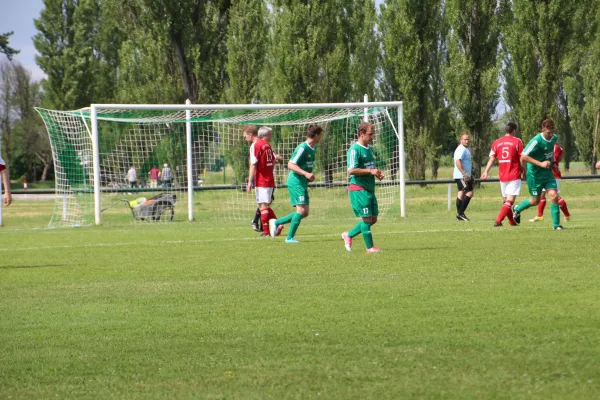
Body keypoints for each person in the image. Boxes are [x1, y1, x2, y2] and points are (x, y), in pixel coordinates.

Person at [269, 124, 323, 243]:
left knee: (305, 212)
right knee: (301, 211)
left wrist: (308, 176)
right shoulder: (302, 148)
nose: (321, 137)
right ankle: (289, 238)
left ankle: (277, 222)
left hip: (302, 182)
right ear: (317, 135)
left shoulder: (313, 147)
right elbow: (290, 164)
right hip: (296, 181)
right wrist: (305, 174)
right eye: (321, 135)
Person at [341, 122, 384, 253]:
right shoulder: (354, 150)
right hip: (358, 188)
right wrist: (370, 171)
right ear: (361, 133)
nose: (372, 137)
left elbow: (368, 168)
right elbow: (351, 170)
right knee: (366, 219)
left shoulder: (369, 149)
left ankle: (348, 235)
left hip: (369, 188)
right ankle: (370, 247)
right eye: (370, 134)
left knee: (373, 219)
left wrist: (375, 173)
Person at [513, 119, 564, 230]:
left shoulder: (554, 138)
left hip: (547, 173)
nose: (550, 135)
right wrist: (540, 164)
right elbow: (523, 156)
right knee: (535, 201)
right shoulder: (536, 141)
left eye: (552, 132)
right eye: (548, 133)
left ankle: (556, 225)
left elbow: (550, 153)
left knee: (554, 196)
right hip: (535, 175)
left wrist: (554, 163)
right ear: (542, 130)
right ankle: (517, 209)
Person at [481, 122, 523, 226]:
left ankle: (511, 222)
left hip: (503, 175)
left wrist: (486, 171)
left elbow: (491, 159)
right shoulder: (517, 141)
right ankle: (498, 220)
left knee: (506, 202)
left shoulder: (497, 142)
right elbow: (522, 158)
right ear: (514, 131)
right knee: (510, 201)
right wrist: (524, 170)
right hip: (514, 174)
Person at [246, 127, 284, 237]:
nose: (271, 136)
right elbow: (272, 160)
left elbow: (253, 164)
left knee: (262, 206)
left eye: (245, 136)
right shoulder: (267, 145)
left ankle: (267, 232)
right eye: (270, 134)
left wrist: (249, 182)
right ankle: (278, 224)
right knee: (264, 205)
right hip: (269, 179)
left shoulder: (256, 145)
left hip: (262, 180)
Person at [529, 142, 571, 222]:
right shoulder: (552, 146)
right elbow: (562, 154)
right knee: (542, 194)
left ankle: (567, 215)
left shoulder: (555, 147)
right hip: (546, 174)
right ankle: (539, 215)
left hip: (553, 174)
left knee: (555, 196)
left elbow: (552, 160)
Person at [453, 133, 474, 221]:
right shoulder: (461, 149)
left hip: (464, 175)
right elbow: (458, 161)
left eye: (468, 139)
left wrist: (470, 175)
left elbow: (467, 164)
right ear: (461, 140)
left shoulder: (466, 149)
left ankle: (459, 215)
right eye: (465, 139)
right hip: (461, 176)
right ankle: (461, 213)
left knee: (461, 194)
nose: (466, 141)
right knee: (469, 192)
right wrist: (464, 174)